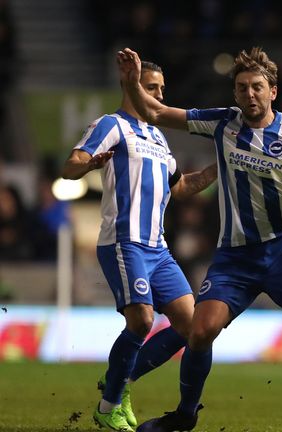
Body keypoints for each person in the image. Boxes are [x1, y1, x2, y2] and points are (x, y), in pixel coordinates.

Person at [117, 47, 282, 432]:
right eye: (242, 88)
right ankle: (185, 415)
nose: (249, 94)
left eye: (257, 87)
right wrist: (131, 82)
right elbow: (158, 112)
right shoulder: (223, 124)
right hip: (235, 258)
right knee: (200, 331)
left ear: (272, 90)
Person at [62, 60, 218, 432]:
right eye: (152, 87)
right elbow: (70, 166)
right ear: (129, 83)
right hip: (123, 241)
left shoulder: (159, 138)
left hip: (157, 249)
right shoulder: (110, 125)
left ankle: (121, 381)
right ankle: (108, 405)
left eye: (162, 88)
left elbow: (179, 187)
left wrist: (219, 169)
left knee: (190, 325)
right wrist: (88, 164)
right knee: (143, 320)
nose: (160, 95)